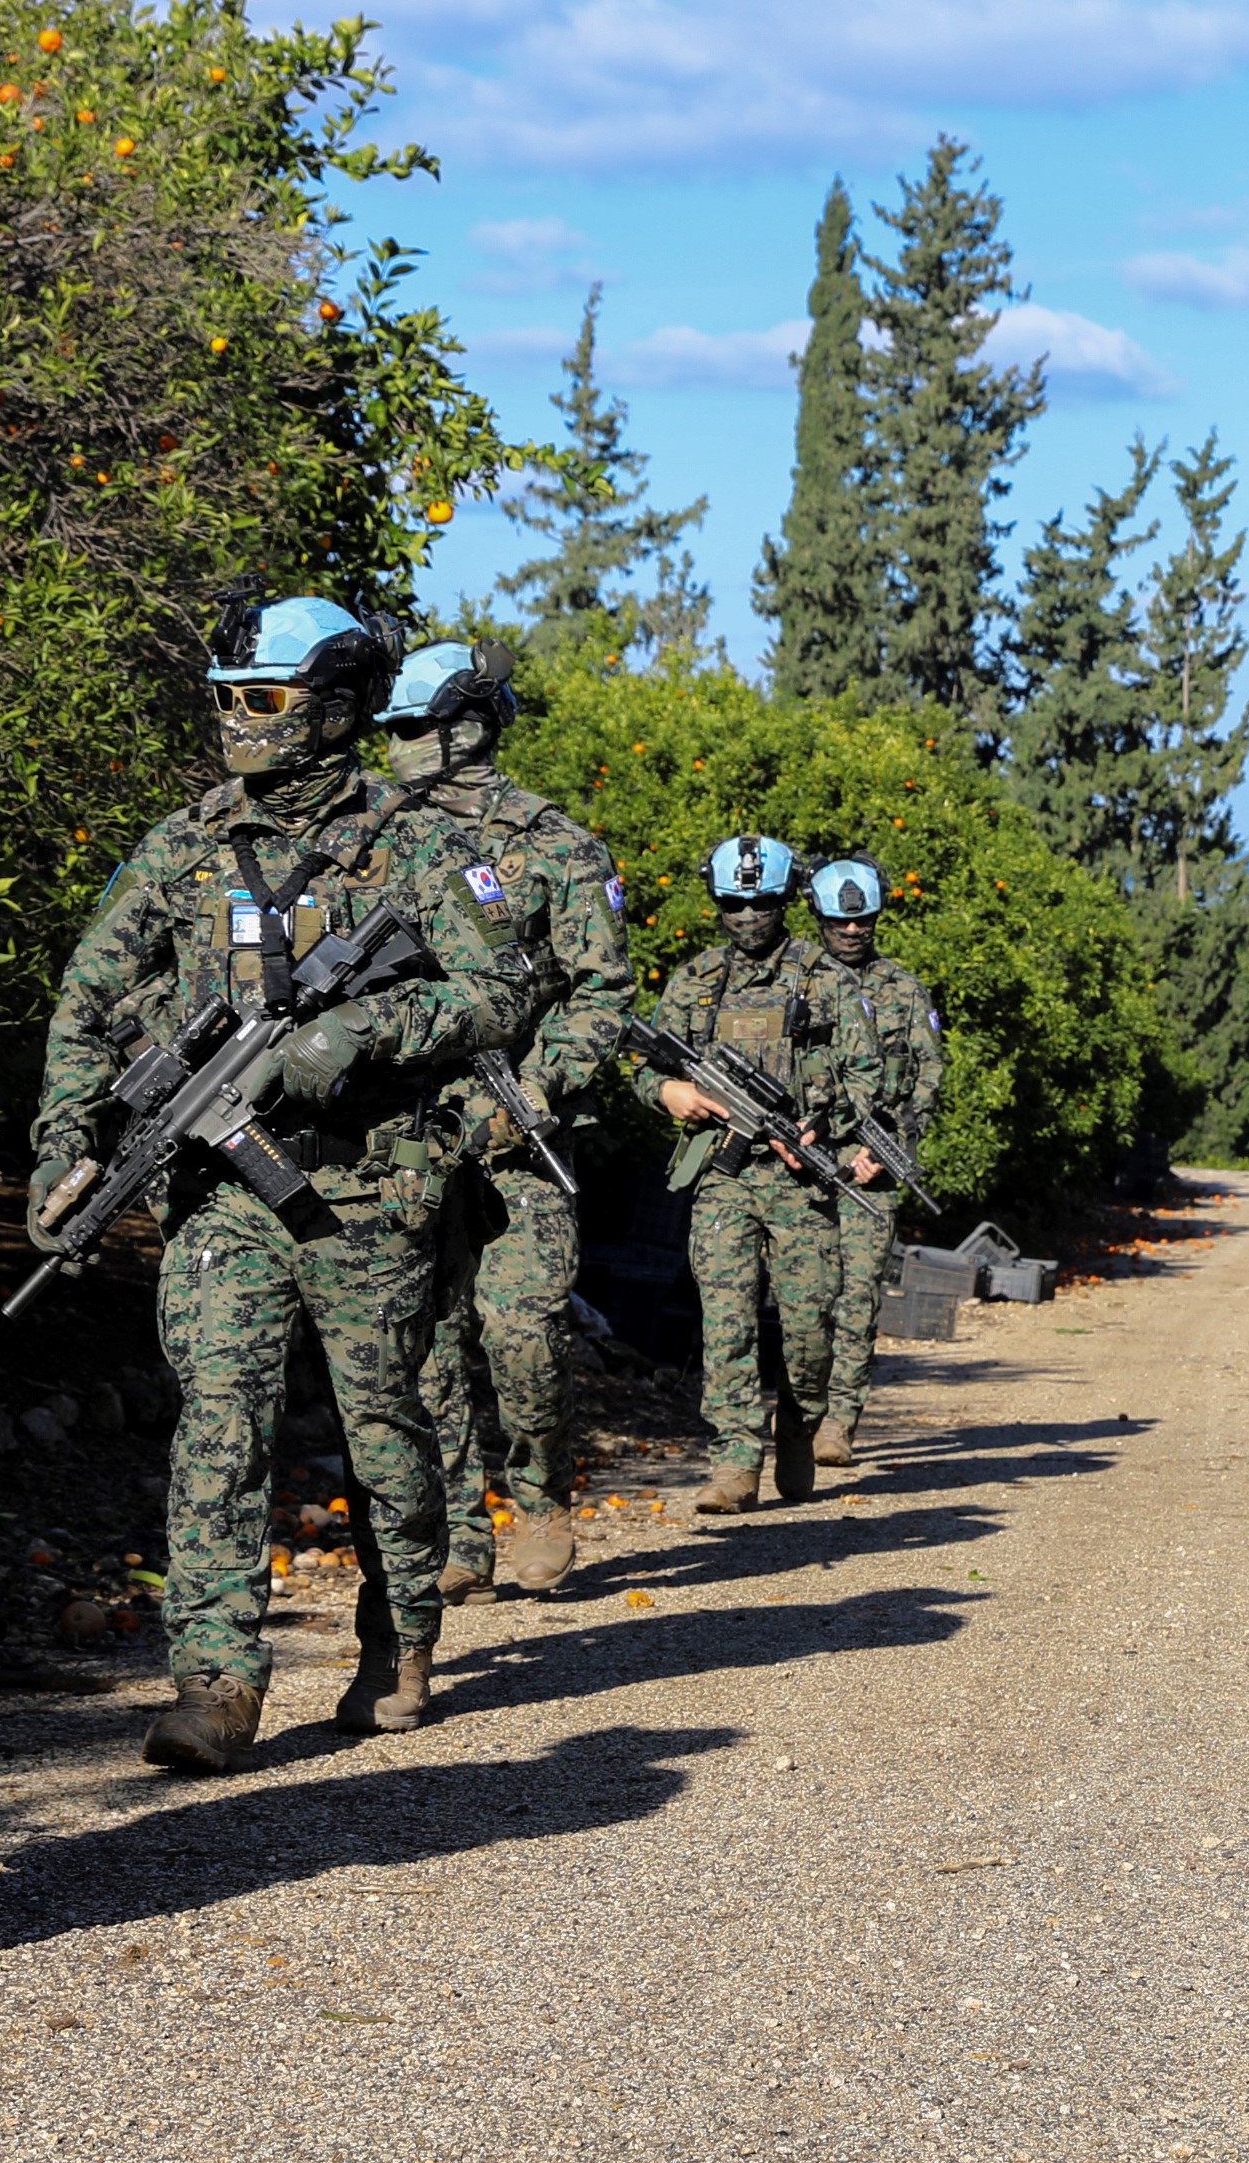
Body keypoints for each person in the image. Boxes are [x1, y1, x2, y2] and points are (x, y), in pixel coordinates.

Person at [28, 597, 522, 1768]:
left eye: (262, 698)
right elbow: (89, 1002)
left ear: (338, 709)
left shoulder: (421, 842)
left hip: (369, 1190)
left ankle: (398, 1641)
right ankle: (215, 1683)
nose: (235, 721)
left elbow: (497, 991)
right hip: (221, 1193)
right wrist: (65, 1143)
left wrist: (364, 1035)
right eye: (225, 697)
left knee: (383, 1423)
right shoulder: (184, 844)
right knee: (219, 1421)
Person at [373, 641, 632, 1602]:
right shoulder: (372, 833)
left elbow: (601, 989)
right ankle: (456, 1532)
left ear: (468, 727)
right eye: (390, 729)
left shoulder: (557, 844)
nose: (394, 746)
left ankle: (541, 1490)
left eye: (412, 728)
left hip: (520, 1124)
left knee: (519, 1327)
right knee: (423, 1338)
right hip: (402, 1129)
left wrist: (539, 1088)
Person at [651, 836, 850, 1517]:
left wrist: (828, 1123)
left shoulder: (826, 977)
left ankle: (799, 1423)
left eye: (761, 901)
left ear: (785, 899)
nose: (747, 916)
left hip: (800, 1180)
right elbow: (650, 1062)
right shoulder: (696, 979)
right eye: (734, 902)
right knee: (727, 1319)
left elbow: (869, 1074)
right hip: (723, 1175)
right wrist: (668, 1093)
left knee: (810, 1323)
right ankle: (735, 1459)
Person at [802, 858, 943, 1467]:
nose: (853, 932)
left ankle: (838, 1421)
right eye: (840, 921)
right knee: (803, 1298)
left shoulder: (904, 989)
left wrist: (887, 1144)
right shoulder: (793, 980)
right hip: (797, 1160)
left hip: (871, 1167)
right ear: (819, 917)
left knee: (856, 1297)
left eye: (864, 921)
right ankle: (795, 1414)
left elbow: (929, 1075)